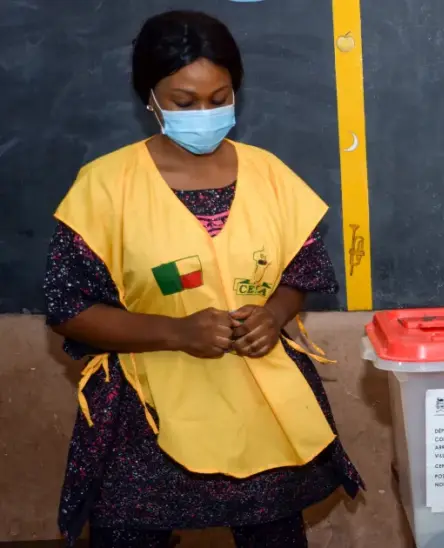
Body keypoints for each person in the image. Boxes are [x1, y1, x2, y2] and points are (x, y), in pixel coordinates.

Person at [44, 11, 363, 547]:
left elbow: (299, 271)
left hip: (260, 405)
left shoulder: (269, 174)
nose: (205, 115)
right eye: (184, 102)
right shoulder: (104, 186)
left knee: (272, 531)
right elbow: (69, 308)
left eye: (219, 98)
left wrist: (274, 315)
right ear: (149, 98)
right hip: (145, 419)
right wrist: (177, 332)